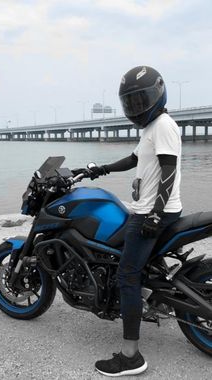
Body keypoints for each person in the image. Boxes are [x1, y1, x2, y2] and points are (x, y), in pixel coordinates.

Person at [75, 66, 182, 376]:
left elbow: (169, 171)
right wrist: (100, 169)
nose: (137, 108)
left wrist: (156, 214)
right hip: (151, 209)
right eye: (132, 103)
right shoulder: (151, 128)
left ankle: (130, 356)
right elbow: (135, 159)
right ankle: (156, 302)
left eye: (141, 101)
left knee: (127, 276)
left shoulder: (162, 125)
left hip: (152, 212)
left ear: (159, 93)